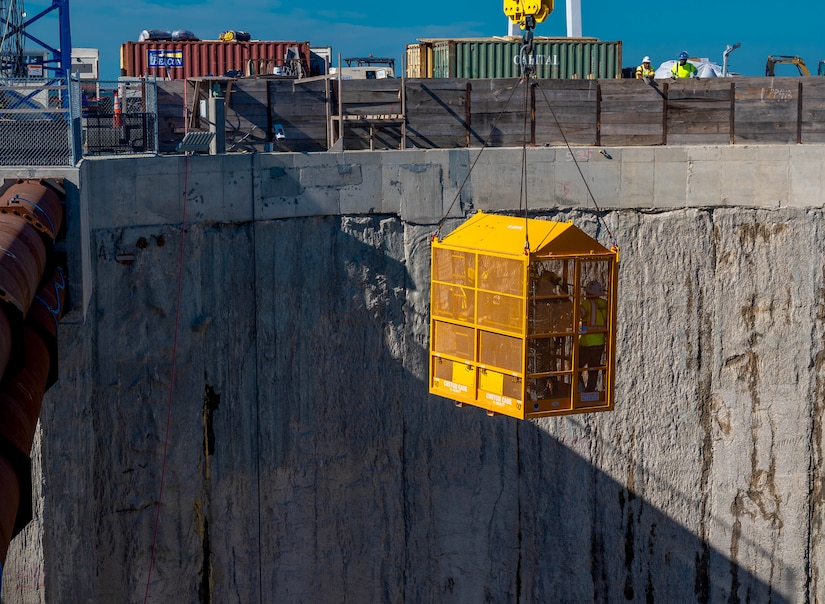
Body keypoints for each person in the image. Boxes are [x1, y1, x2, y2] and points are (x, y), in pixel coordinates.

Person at [578, 280, 608, 393]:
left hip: (586, 343)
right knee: (593, 369)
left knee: (576, 369)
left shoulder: (587, 304)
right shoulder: (605, 306)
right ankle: (590, 391)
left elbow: (577, 314)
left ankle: (579, 391)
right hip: (599, 343)